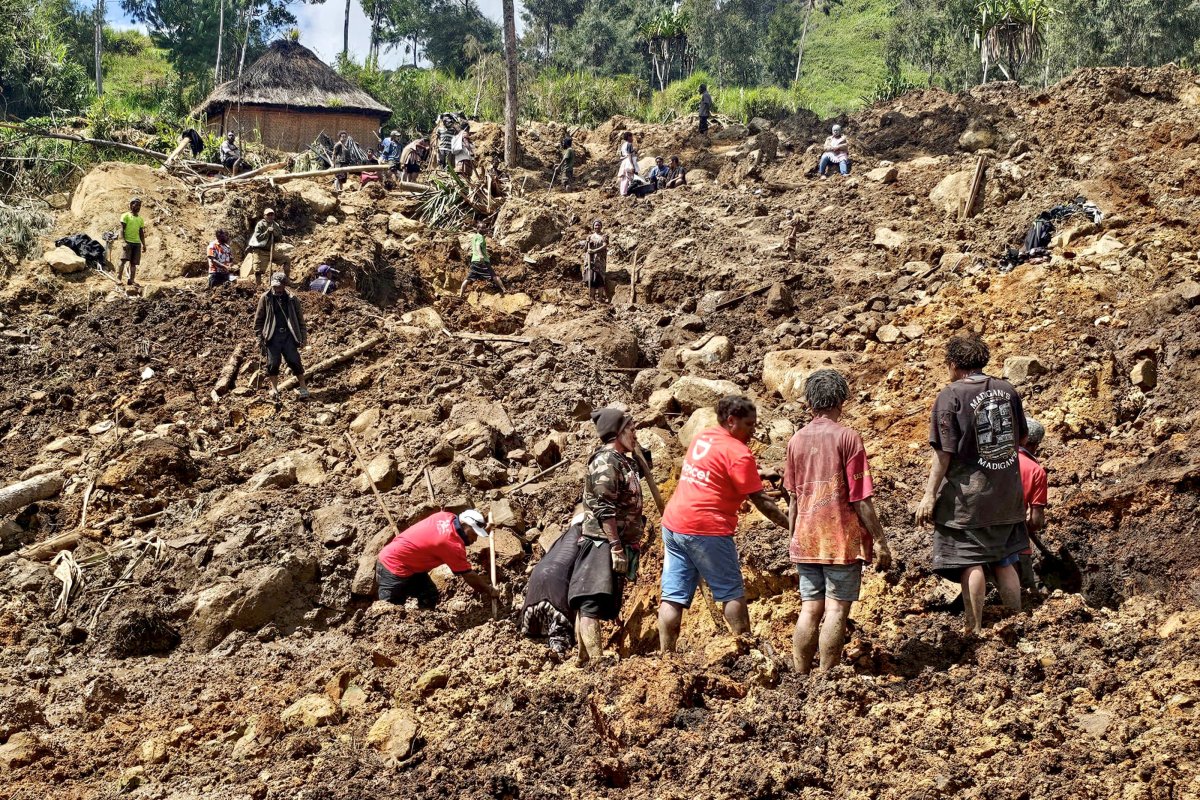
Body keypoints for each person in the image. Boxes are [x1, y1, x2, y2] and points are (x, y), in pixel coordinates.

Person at [657, 395, 790, 653]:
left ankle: (667, 656)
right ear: (732, 421)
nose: (754, 430)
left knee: (672, 596)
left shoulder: (703, 438)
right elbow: (762, 502)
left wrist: (759, 472)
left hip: (674, 524)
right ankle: (748, 648)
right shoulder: (739, 452)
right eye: (749, 425)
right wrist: (791, 527)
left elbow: (718, 467)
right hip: (706, 529)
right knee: (730, 592)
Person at [915, 334, 1028, 636]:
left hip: (970, 498)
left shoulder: (950, 396)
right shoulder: (1007, 389)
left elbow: (943, 453)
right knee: (1005, 558)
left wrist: (929, 496)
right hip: (1007, 493)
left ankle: (973, 627)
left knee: (971, 561)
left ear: (953, 364)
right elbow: (1021, 438)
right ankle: (1017, 620)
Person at [785, 369, 893, 674]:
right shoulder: (848, 437)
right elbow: (861, 498)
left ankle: (800, 675)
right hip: (841, 539)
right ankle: (826, 677)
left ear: (809, 402)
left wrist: (793, 537)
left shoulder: (795, 441)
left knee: (809, 608)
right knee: (835, 608)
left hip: (806, 537)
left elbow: (793, 497)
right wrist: (881, 541)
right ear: (841, 401)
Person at [569, 408, 646, 664]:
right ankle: (598, 661)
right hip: (601, 543)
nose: (636, 435)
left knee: (593, 602)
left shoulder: (624, 460)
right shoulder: (605, 462)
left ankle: (582, 657)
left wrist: (639, 452)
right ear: (617, 432)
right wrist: (615, 546)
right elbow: (604, 509)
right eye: (632, 430)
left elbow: (638, 475)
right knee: (591, 601)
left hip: (616, 541)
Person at [376, 509, 501, 609]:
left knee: (429, 595)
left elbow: (451, 533)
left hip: (407, 561)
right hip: (392, 566)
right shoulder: (451, 544)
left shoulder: (446, 516)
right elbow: (468, 575)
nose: (475, 540)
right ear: (464, 525)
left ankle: (424, 627)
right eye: (474, 534)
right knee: (391, 611)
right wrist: (489, 590)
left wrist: (482, 531)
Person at [521, 509, 586, 658]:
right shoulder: (585, 538)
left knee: (533, 635)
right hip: (556, 585)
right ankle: (557, 651)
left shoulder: (561, 539)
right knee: (559, 634)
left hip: (536, 584)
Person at [253, 272, 310, 400]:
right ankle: (274, 389)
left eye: (279, 286)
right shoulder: (265, 298)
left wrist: (303, 338)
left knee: (295, 361)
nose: (276, 289)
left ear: (285, 285)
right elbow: (258, 321)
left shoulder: (292, 299)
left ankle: (303, 386)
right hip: (272, 336)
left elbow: (300, 320)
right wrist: (259, 338)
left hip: (289, 336)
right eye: (274, 286)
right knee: (273, 363)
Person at [1017, 417, 1048, 591]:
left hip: (982, 542)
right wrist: (1026, 527)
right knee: (1026, 598)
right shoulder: (1036, 471)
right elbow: (1036, 521)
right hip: (1016, 545)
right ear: (1034, 445)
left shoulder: (991, 461)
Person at [459, 220, 506, 296]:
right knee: (494, 276)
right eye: (482, 228)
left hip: (474, 261)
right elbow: (478, 246)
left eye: (485, 227)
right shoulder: (480, 237)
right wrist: (481, 255)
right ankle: (504, 290)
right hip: (482, 261)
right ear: (478, 228)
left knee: (468, 279)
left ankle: (460, 295)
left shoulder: (475, 237)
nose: (484, 229)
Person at [247, 208, 283, 287]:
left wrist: (274, 232)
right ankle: (258, 286)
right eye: (268, 215)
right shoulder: (260, 224)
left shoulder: (276, 225)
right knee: (257, 270)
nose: (270, 216)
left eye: (272, 214)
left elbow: (279, 238)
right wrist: (267, 232)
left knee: (286, 260)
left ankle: (285, 282)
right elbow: (258, 237)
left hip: (270, 251)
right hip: (259, 250)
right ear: (264, 216)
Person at [117, 198, 148, 286]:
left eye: (139, 205)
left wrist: (144, 244)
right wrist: (123, 241)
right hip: (128, 242)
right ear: (131, 205)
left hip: (136, 243)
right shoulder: (125, 216)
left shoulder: (140, 219)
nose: (138, 207)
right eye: (136, 205)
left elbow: (141, 233)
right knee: (123, 260)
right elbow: (122, 230)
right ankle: (118, 279)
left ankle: (131, 280)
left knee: (133, 263)